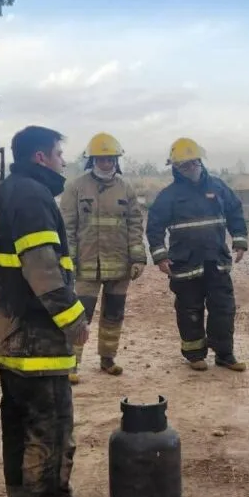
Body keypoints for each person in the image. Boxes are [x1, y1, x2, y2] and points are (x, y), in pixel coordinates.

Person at [0, 125, 98, 497]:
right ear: (40, 157)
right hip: (34, 338)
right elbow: (43, 267)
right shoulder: (32, 196)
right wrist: (73, 318)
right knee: (49, 425)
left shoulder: (11, 190)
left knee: (17, 420)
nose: (64, 161)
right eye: (59, 153)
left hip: (7, 334)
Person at [145, 138, 249, 372]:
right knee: (189, 310)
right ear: (175, 168)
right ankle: (194, 355)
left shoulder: (219, 187)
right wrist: (160, 256)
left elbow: (235, 212)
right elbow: (154, 227)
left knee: (223, 309)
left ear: (200, 162)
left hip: (216, 262)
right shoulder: (169, 195)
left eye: (193, 163)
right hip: (184, 264)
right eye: (184, 165)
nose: (190, 168)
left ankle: (225, 354)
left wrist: (240, 240)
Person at [59, 132, 147, 384]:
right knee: (80, 315)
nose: (106, 163)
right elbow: (67, 227)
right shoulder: (76, 187)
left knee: (113, 315)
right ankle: (71, 364)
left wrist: (138, 258)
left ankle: (108, 359)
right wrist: (68, 260)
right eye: (101, 159)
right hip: (86, 266)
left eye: (111, 159)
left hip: (119, 267)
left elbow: (134, 224)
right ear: (92, 160)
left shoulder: (125, 188)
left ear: (116, 160)